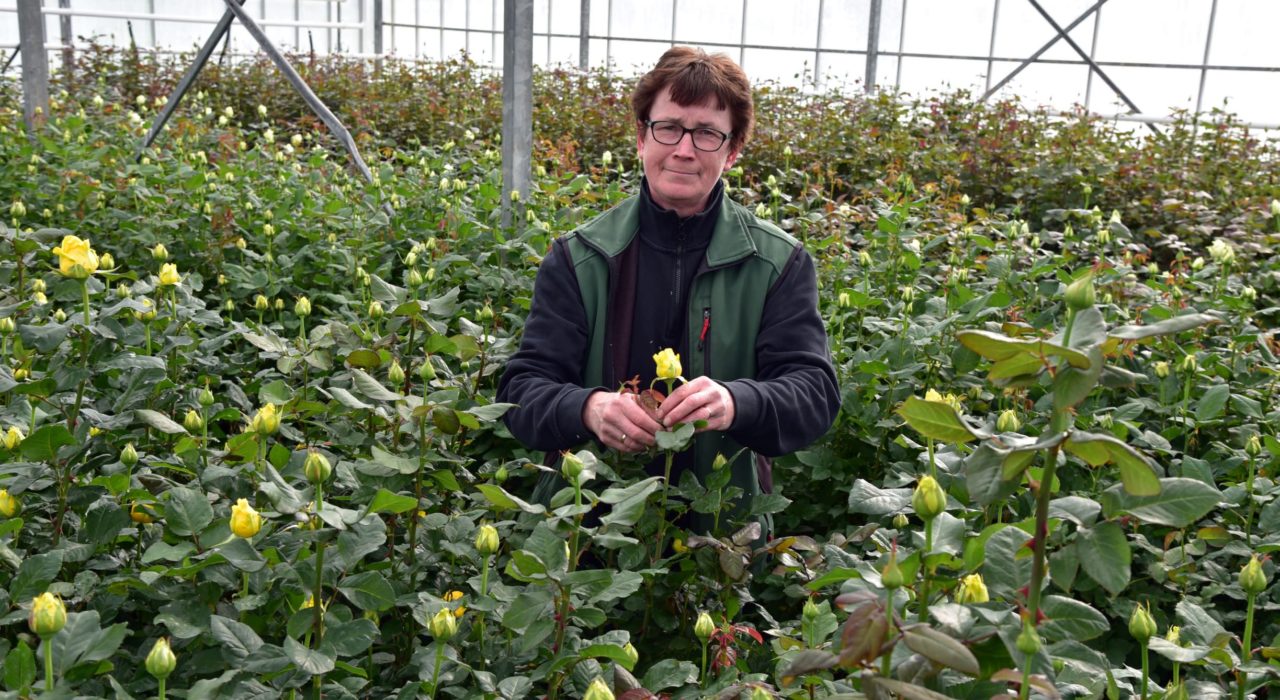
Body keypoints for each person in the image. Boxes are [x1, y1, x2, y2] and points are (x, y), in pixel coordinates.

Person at [497, 46, 839, 524]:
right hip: (588, 528)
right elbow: (521, 391)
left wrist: (736, 401)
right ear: (641, 137)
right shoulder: (579, 258)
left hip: (722, 530)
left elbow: (815, 393)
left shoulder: (778, 264)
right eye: (669, 127)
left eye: (706, 134)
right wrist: (588, 408)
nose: (683, 149)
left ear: (732, 151)